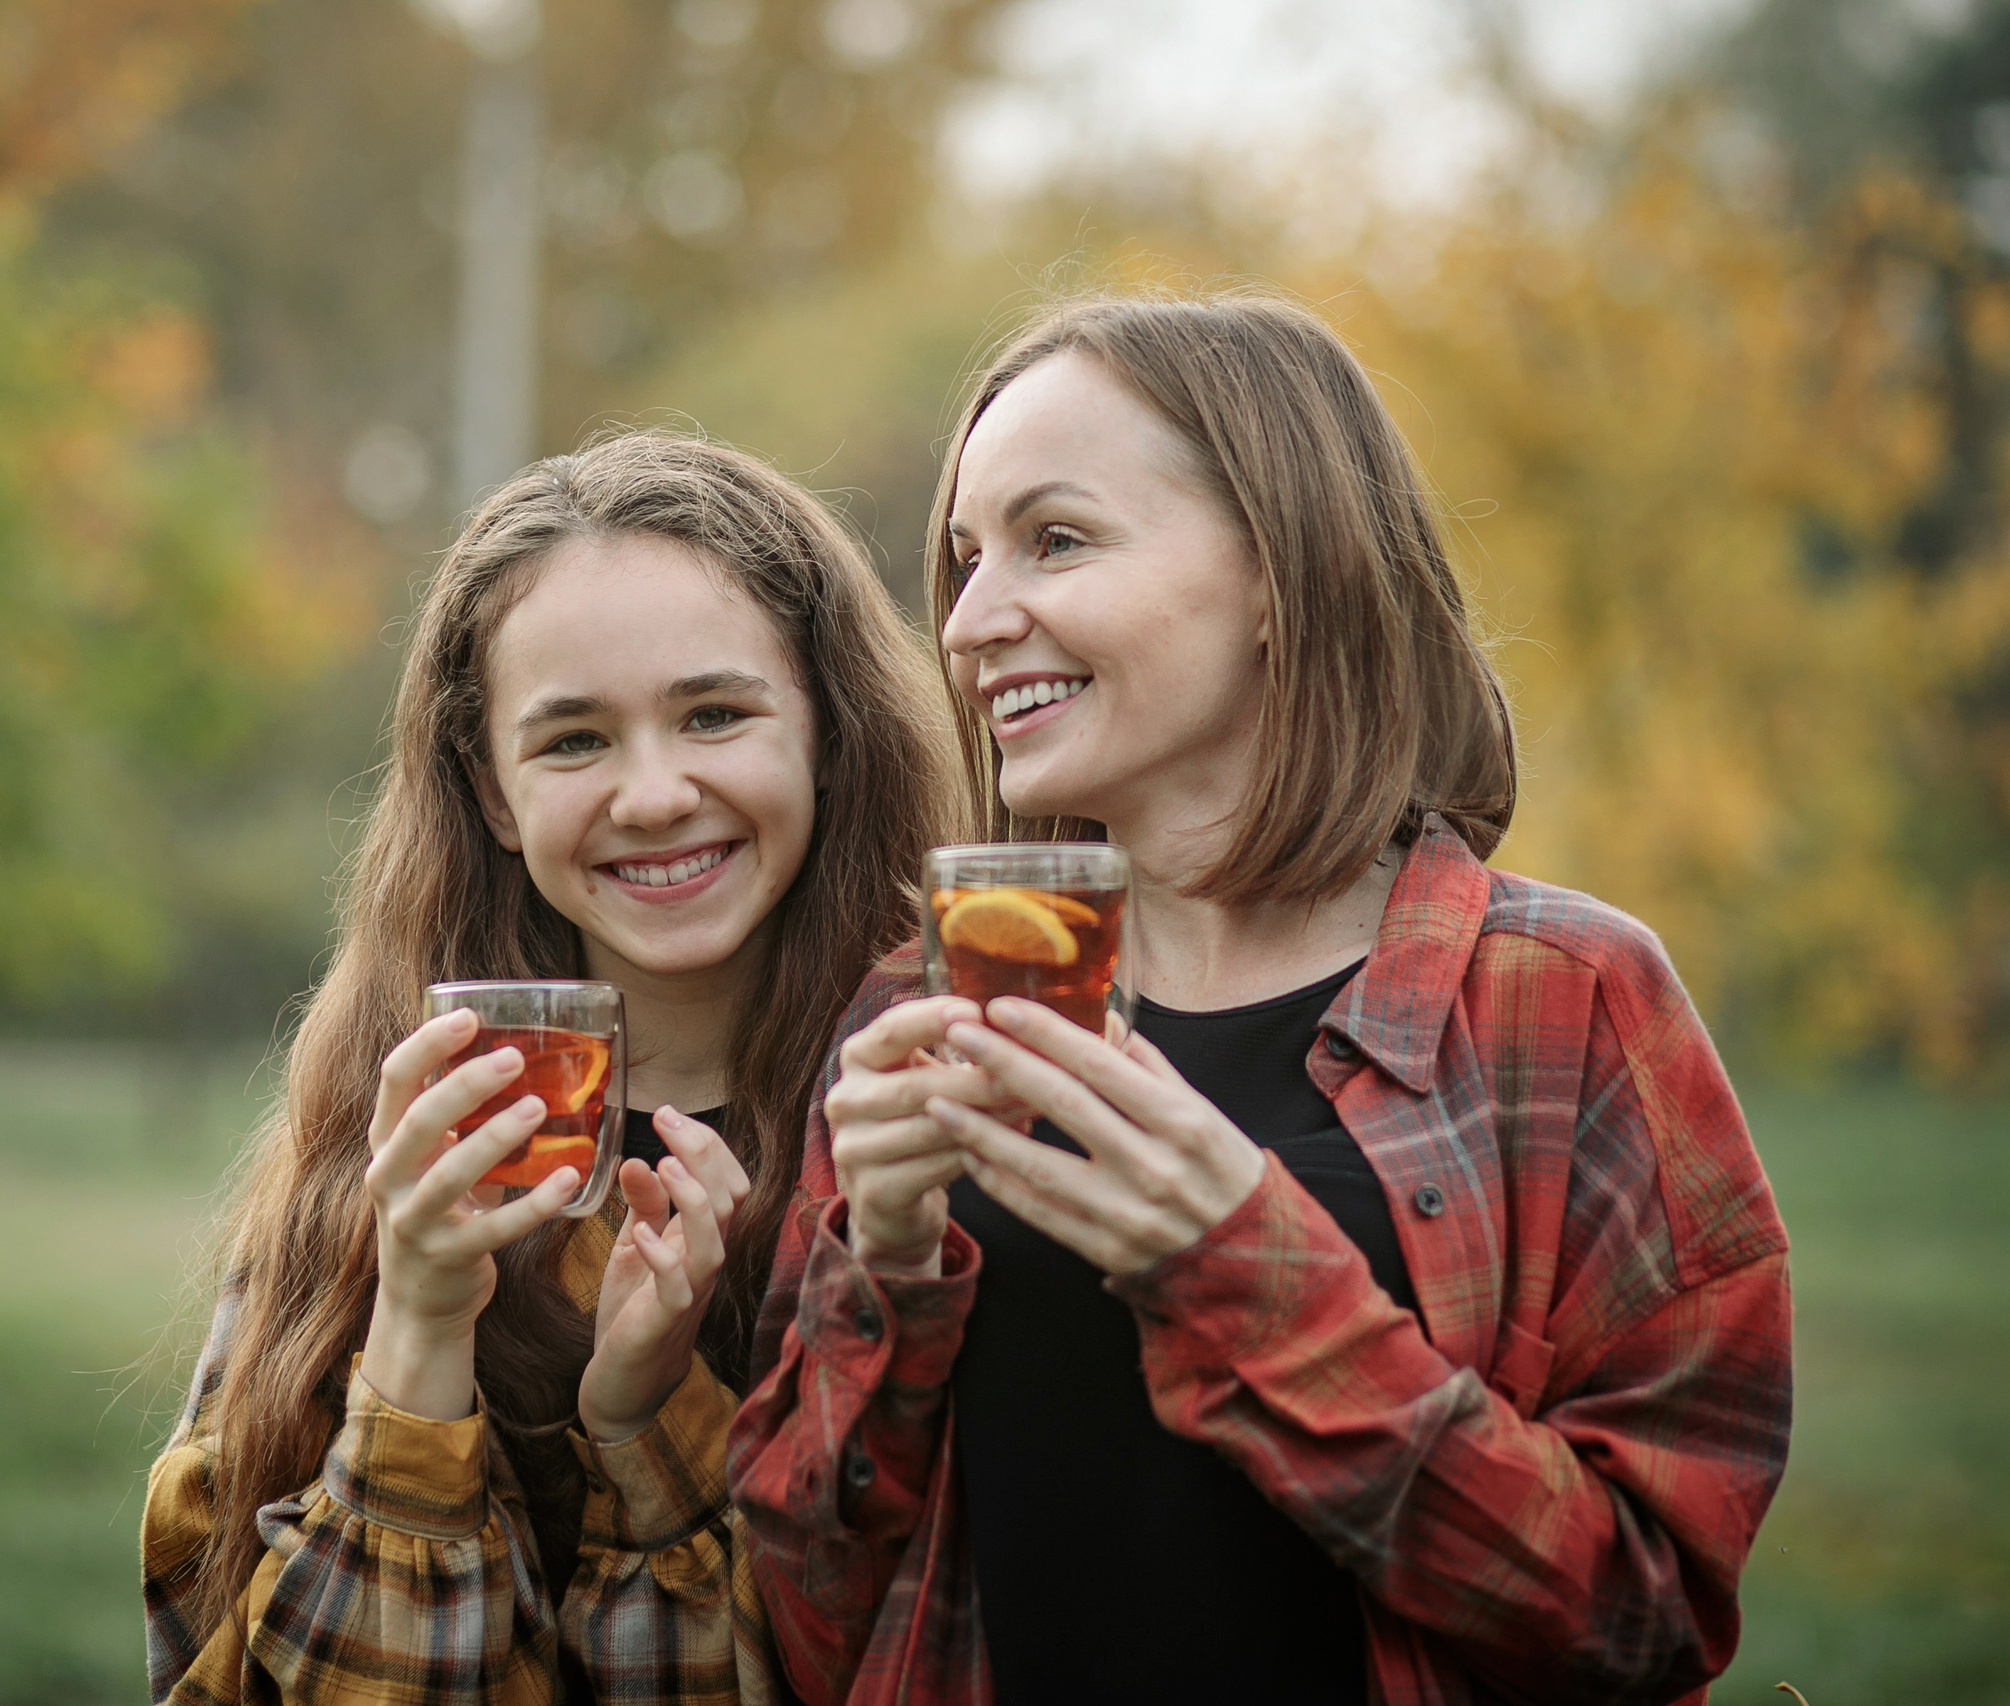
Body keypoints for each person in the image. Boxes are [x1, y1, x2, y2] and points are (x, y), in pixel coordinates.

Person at [729, 295, 1795, 1705]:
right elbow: (813, 1625)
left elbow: (1639, 1617)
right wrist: (893, 1266)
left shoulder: (1570, 1002)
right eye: (964, 561)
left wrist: (1240, 1268)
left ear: (1281, 575)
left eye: (1056, 539)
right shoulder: (911, 1015)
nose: (973, 621)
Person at [140, 431, 960, 1706]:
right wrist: (419, 1322)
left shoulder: (934, 1105)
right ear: (494, 793)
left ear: (827, 731)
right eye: (574, 739)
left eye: (714, 713)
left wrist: (646, 1424)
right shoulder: (401, 1125)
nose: (651, 793)